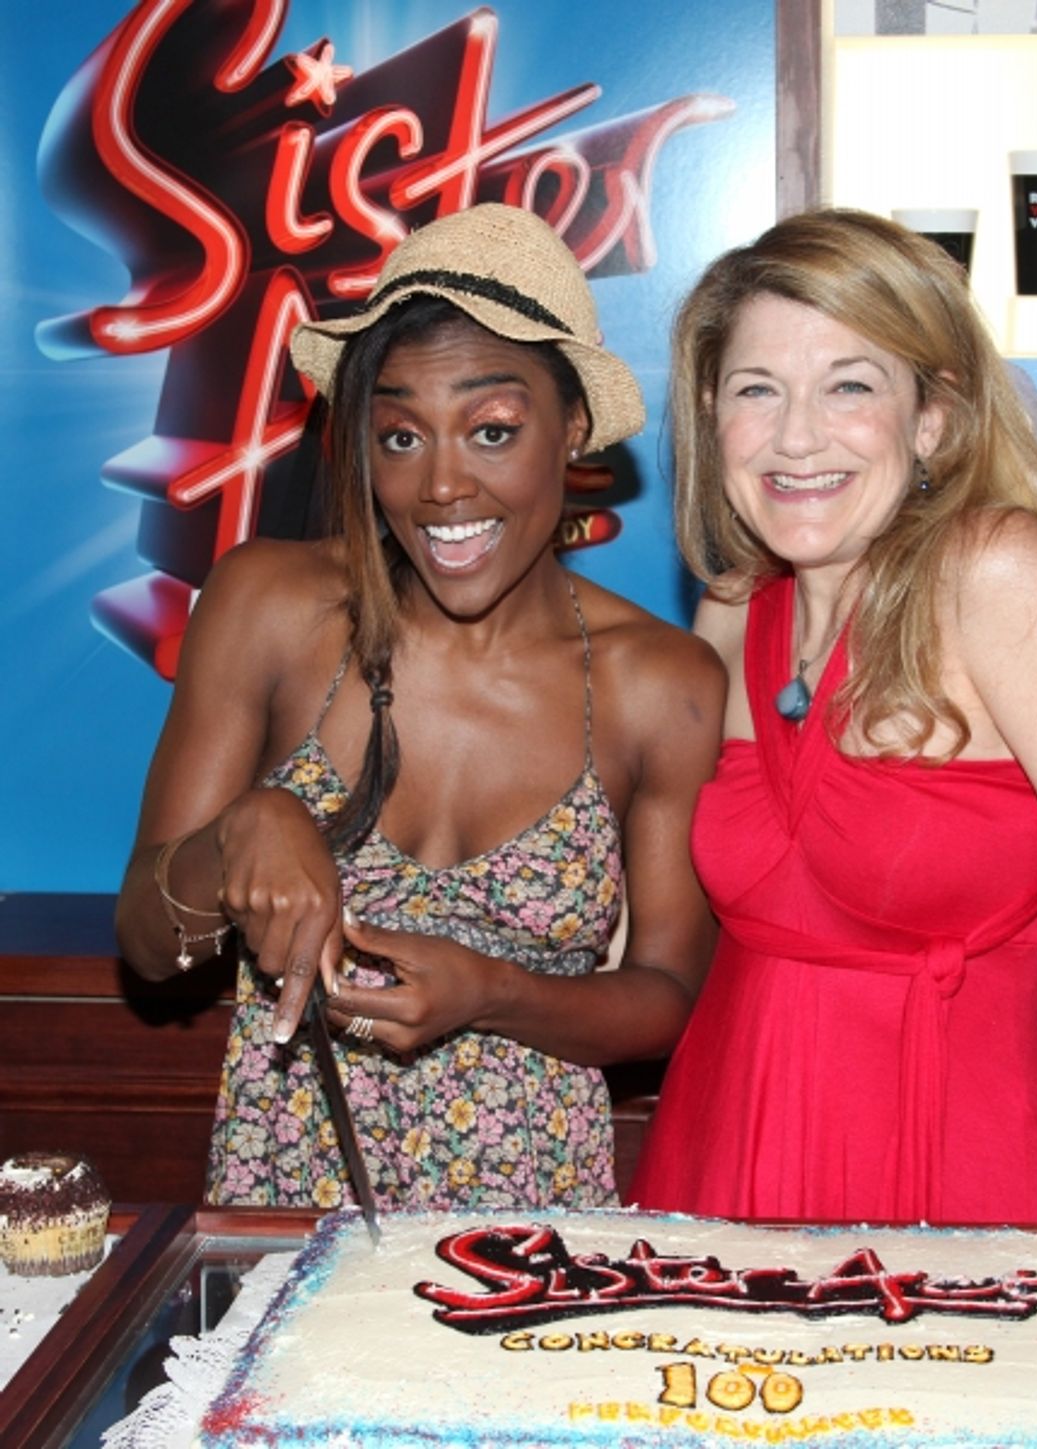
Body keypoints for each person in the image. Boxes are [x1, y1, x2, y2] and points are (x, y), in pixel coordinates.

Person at [115, 204, 724, 1211]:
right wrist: (243, 835)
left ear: (572, 427)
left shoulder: (660, 683)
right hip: (289, 1207)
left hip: (529, 1223)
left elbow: (666, 998)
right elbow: (146, 943)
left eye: (492, 430)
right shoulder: (269, 606)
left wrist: (488, 992)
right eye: (400, 434)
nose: (440, 484)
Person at [630, 207, 1037, 1225]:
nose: (796, 435)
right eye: (758, 391)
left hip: (947, 1190)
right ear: (714, 416)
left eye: (850, 386)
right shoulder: (730, 609)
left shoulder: (1001, 580)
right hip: (711, 1178)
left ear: (930, 420)